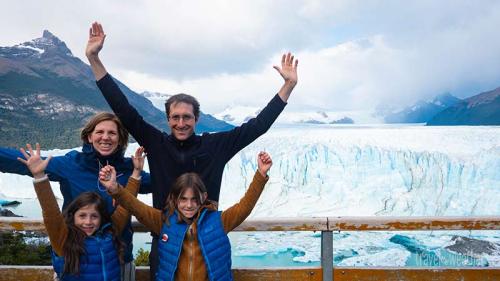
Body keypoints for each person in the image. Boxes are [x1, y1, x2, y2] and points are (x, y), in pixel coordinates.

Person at [85, 22, 298, 276]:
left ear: (196, 119)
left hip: (207, 238)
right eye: (175, 117)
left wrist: (288, 86)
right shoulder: (157, 143)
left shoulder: (216, 145)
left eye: (187, 117)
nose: (181, 123)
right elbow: (123, 109)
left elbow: (257, 126)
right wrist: (94, 58)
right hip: (166, 239)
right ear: (168, 119)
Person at [0, 112, 151, 280]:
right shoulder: (72, 164)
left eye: (112, 133)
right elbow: (21, 162)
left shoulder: (129, 170)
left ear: (121, 139)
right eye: (100, 132)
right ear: (89, 137)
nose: (105, 137)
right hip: (74, 258)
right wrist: (38, 174)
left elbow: (165, 184)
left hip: (117, 259)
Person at [99, 151, 272, 281]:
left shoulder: (219, 221)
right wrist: (115, 189)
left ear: (203, 198)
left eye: (194, 199)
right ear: (175, 198)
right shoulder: (164, 221)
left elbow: (245, 206)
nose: (189, 205)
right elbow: (135, 207)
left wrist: (261, 174)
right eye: (183, 199)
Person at [17, 143, 146, 281]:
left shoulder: (110, 234)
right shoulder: (65, 240)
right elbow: (51, 213)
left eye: (94, 216)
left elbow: (126, 207)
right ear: (73, 217)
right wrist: (39, 176)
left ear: (101, 218)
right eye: (82, 216)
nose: (88, 222)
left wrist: (137, 172)